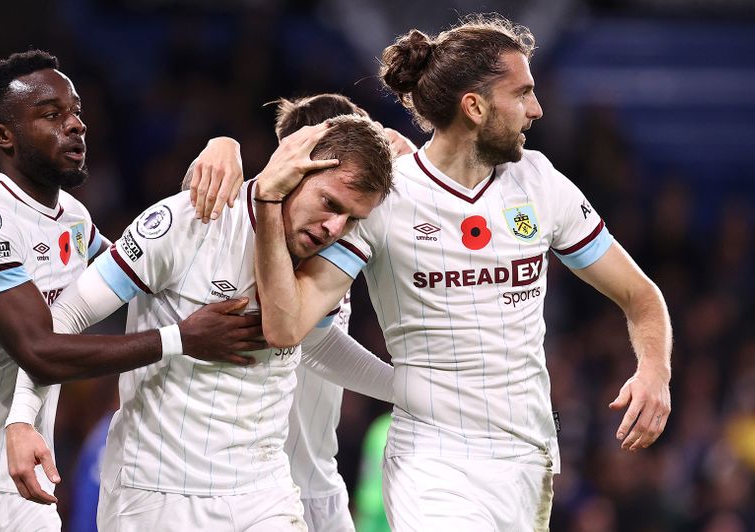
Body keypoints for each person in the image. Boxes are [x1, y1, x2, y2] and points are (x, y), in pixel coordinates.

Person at [251, 14, 673, 531]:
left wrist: (654, 369)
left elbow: (640, 295)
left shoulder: (540, 182)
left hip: (528, 457)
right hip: (432, 460)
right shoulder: (390, 197)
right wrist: (261, 194)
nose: (536, 110)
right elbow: (292, 327)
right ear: (473, 107)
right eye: (522, 94)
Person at [0, 50, 259, 531]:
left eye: (76, 112)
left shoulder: (73, 219)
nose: (76, 126)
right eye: (52, 115)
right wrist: (181, 339)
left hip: (24, 490)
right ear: (4, 136)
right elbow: (40, 350)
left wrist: (222, 147)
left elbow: (150, 266)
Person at [5, 115, 395, 531]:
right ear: (295, 172)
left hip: (262, 491)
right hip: (157, 491)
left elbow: (316, 344)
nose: (335, 228)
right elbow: (67, 315)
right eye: (330, 204)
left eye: (352, 218)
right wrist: (22, 418)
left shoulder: (325, 259)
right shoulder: (193, 219)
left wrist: (415, 390)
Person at [184, 94, 413, 532]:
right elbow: (309, 344)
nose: (338, 221)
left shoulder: (337, 236)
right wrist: (221, 145)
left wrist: (416, 164)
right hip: (244, 493)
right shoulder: (244, 229)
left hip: (318, 485)